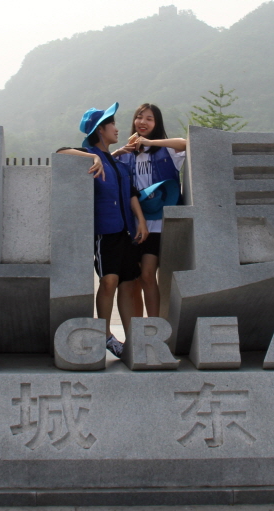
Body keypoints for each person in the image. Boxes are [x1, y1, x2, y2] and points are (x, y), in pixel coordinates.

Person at [57, 103, 148, 356]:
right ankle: (105, 335)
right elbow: (61, 152)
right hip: (104, 231)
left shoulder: (119, 163)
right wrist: (93, 156)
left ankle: (132, 341)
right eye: (112, 124)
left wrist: (140, 220)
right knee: (109, 281)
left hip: (127, 231)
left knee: (129, 284)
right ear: (100, 129)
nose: (117, 129)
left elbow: (130, 194)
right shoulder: (88, 155)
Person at [111, 103, 187, 319]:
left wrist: (151, 142)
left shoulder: (166, 150)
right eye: (139, 117)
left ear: (157, 124)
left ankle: (154, 328)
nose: (143, 122)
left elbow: (186, 143)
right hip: (133, 222)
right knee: (134, 280)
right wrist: (117, 152)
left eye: (149, 119)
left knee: (147, 275)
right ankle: (138, 331)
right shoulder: (125, 156)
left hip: (158, 222)